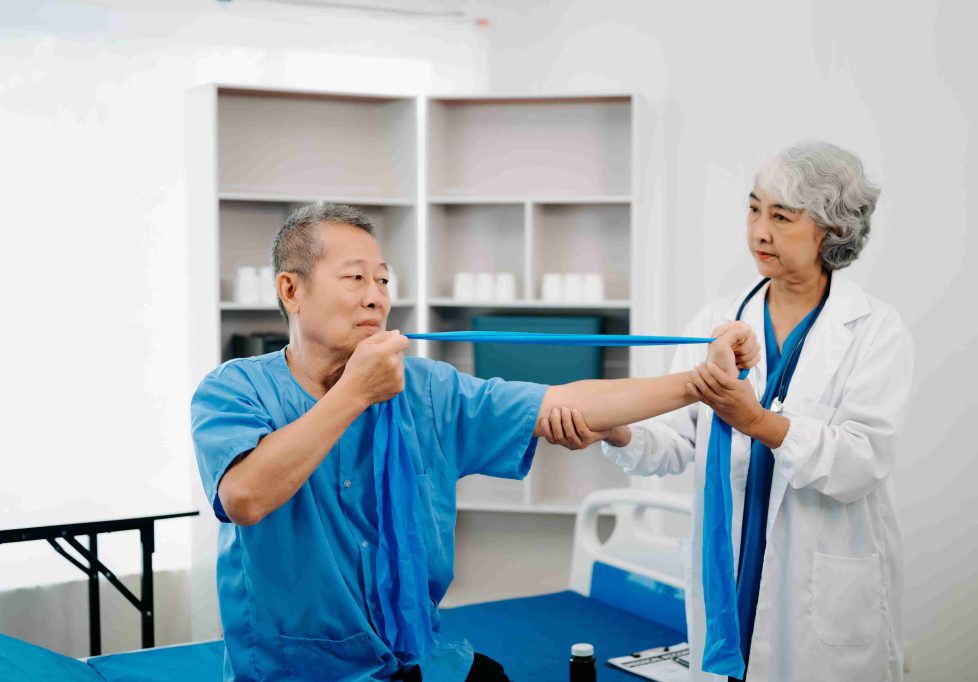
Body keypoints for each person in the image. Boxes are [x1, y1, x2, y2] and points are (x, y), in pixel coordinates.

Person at [191, 202, 760, 681]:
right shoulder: (232, 390)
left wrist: (699, 383)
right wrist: (354, 394)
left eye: (384, 280)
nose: (376, 297)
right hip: (294, 672)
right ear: (290, 290)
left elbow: (565, 400)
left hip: (413, 659)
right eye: (354, 277)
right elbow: (246, 497)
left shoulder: (427, 390)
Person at [541, 141, 914, 681]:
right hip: (729, 575)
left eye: (781, 217)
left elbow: (863, 461)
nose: (759, 231)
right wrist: (615, 429)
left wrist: (755, 421)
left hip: (820, 590)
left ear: (831, 230)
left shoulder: (876, 331)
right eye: (754, 208)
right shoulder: (714, 321)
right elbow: (675, 442)